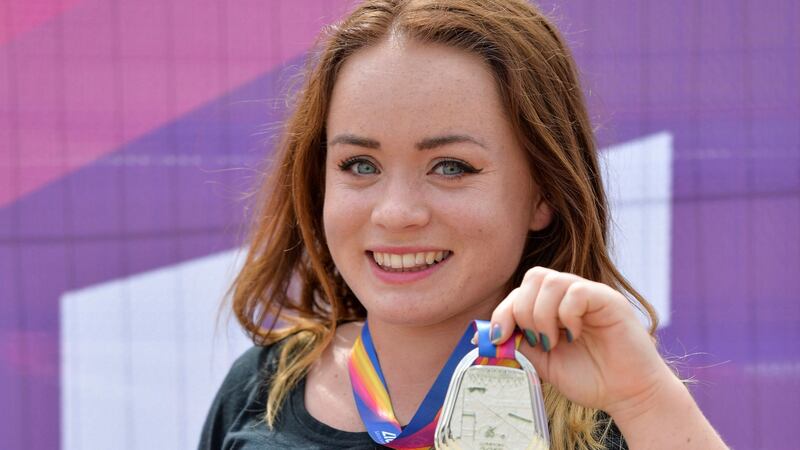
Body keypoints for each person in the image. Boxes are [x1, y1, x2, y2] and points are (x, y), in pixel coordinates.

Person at [199, 1, 729, 449]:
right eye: (360, 165)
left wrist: (644, 400)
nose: (396, 212)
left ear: (543, 192)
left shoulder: (613, 409)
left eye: (452, 166)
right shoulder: (260, 388)